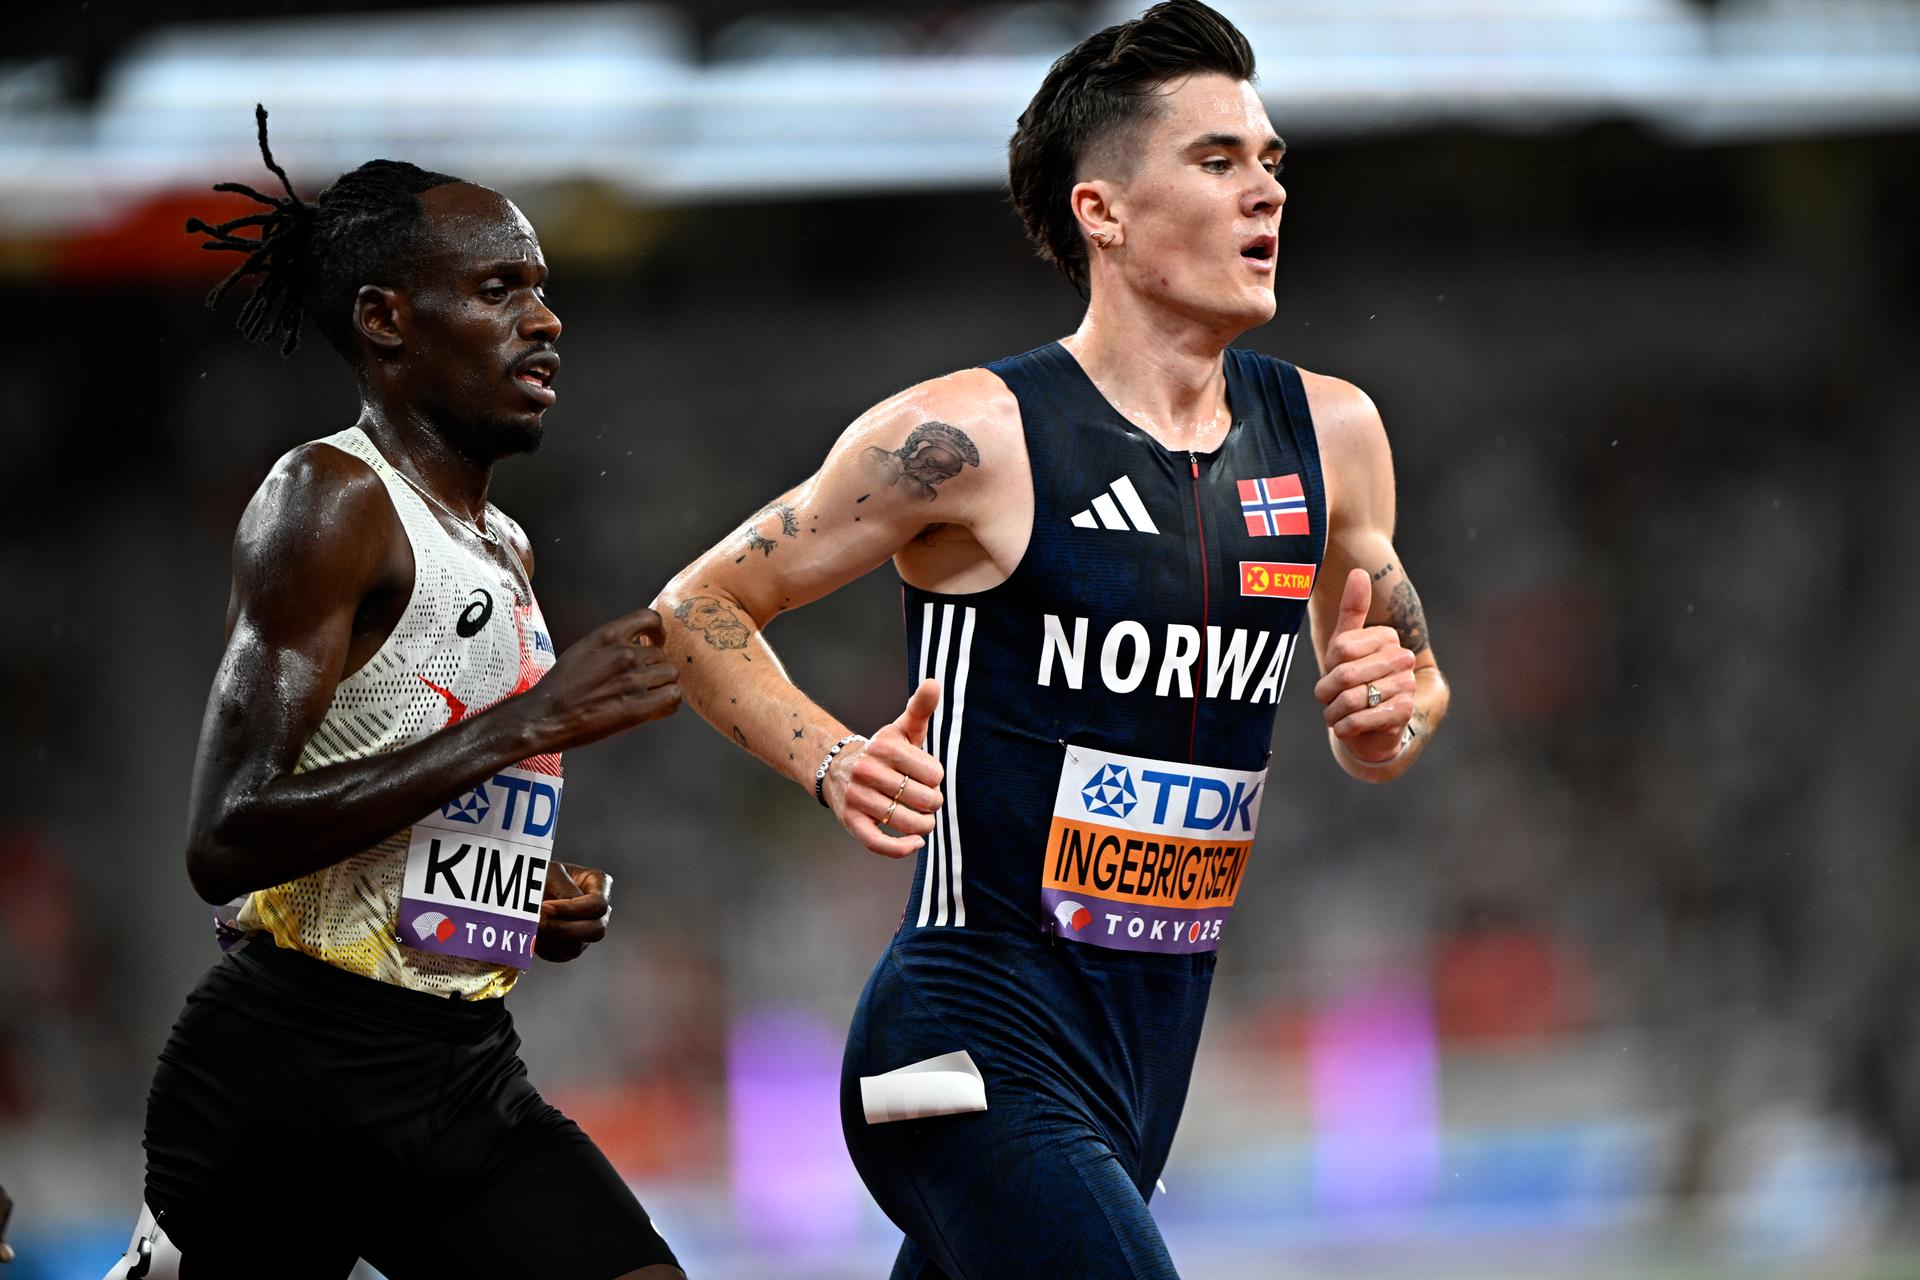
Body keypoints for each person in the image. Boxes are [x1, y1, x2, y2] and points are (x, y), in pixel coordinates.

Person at [654, 2, 1450, 1275]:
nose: (1267, 191)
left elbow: (1403, 698)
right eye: (1218, 160)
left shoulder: (1333, 435)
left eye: (1273, 160)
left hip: (1145, 1050)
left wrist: (1388, 708)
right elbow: (693, 610)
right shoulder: (970, 437)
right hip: (961, 1038)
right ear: (1104, 212)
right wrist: (829, 754)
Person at [122, 107, 685, 1280]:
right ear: (387, 318)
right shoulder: (326, 499)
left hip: (461, 1063)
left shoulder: (505, 544)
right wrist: (528, 722)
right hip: (289, 1075)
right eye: (496, 289)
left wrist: (509, 905)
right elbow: (226, 838)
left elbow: (404, 811)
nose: (544, 318)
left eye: (541, 285)